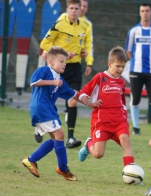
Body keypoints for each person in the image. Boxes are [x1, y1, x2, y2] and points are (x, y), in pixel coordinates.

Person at [22, 47, 100, 181]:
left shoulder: (60, 80)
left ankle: (31, 160)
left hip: (48, 109)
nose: (64, 64)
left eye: (65, 61)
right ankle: (63, 169)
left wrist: (90, 103)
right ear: (50, 62)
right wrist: (53, 82)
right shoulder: (44, 70)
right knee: (60, 135)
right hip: (41, 108)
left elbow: (74, 94)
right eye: (61, 61)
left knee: (55, 140)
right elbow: (33, 82)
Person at [40, 0, 92, 149]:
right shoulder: (59, 24)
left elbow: (85, 45)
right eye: (72, 8)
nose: (75, 11)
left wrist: (85, 54)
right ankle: (39, 127)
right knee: (49, 100)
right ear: (67, 9)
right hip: (58, 68)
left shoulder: (85, 26)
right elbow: (44, 44)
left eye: (77, 8)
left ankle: (70, 138)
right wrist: (62, 53)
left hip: (75, 68)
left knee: (73, 100)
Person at [77, 46, 135, 167]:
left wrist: (124, 115)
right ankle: (89, 143)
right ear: (109, 64)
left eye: (123, 67)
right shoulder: (99, 77)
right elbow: (84, 91)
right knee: (98, 154)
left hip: (118, 120)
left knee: (126, 141)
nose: (120, 69)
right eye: (117, 66)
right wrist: (85, 98)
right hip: (102, 121)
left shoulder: (121, 82)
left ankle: (131, 173)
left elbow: (121, 101)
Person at [125, 3, 151, 136]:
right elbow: (129, 50)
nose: (145, 13)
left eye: (147, 11)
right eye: (142, 11)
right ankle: (136, 128)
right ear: (139, 13)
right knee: (135, 99)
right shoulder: (133, 31)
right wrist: (136, 60)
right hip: (136, 70)